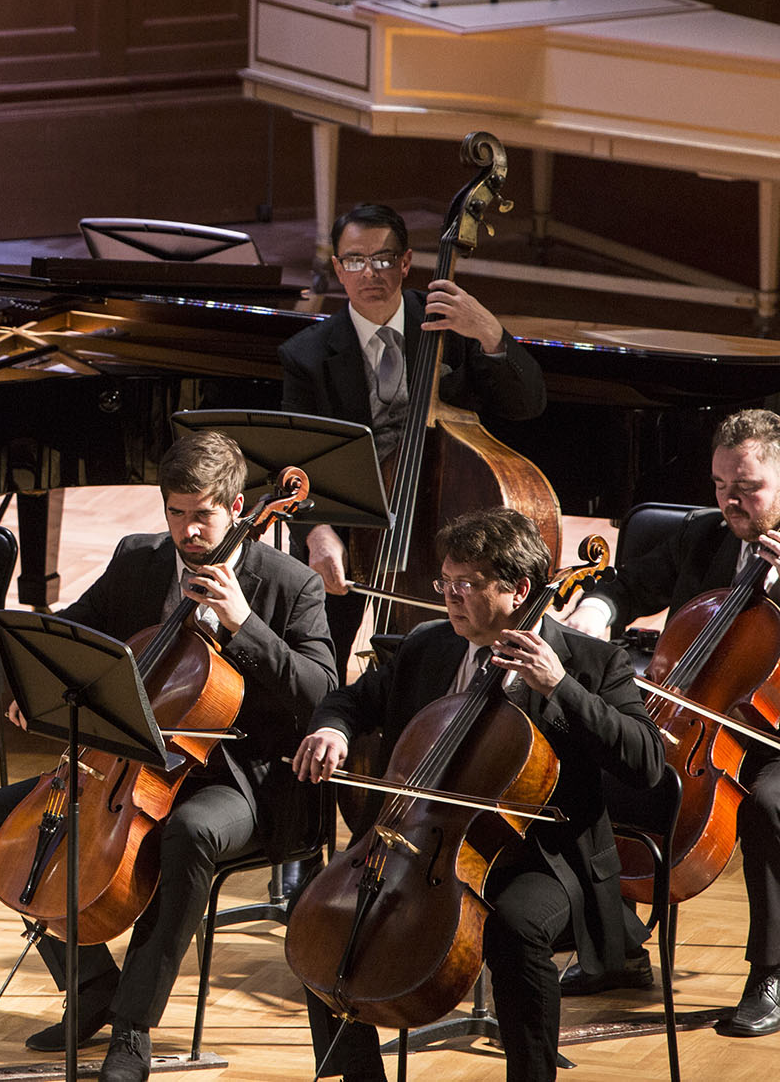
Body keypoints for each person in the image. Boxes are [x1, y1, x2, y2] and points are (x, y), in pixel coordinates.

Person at [0, 431, 336, 1080]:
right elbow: (74, 630)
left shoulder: (289, 584)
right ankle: (93, 983)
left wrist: (245, 621)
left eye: (202, 515)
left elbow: (322, 692)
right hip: (128, 767)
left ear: (238, 506)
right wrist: (37, 686)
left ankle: (132, 1028)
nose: (187, 531)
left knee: (186, 831)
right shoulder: (139, 558)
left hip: (240, 776)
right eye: (175, 513)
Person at [293, 507, 663, 1082]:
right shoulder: (429, 647)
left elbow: (646, 762)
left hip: (545, 855)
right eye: (445, 582)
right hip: (423, 842)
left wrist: (559, 687)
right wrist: (331, 728)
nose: (449, 597)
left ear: (519, 590)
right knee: (322, 914)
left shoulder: (593, 663)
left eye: (466, 585)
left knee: (511, 926)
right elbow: (352, 700)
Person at [564, 407, 780, 1034]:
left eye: (747, 488)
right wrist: (599, 609)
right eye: (719, 485)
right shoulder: (708, 537)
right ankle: (612, 946)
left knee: (769, 806)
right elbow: (629, 584)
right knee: (581, 760)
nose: (730, 501)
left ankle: (771, 972)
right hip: (697, 724)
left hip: (773, 742)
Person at [279, 202, 547, 675]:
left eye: (383, 259)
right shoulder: (307, 356)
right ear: (338, 269)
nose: (371, 272)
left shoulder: (451, 322)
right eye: (356, 260)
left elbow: (528, 406)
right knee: (317, 652)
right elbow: (296, 463)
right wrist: (318, 533)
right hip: (355, 526)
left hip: (451, 513)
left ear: (405, 263)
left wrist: (489, 333)